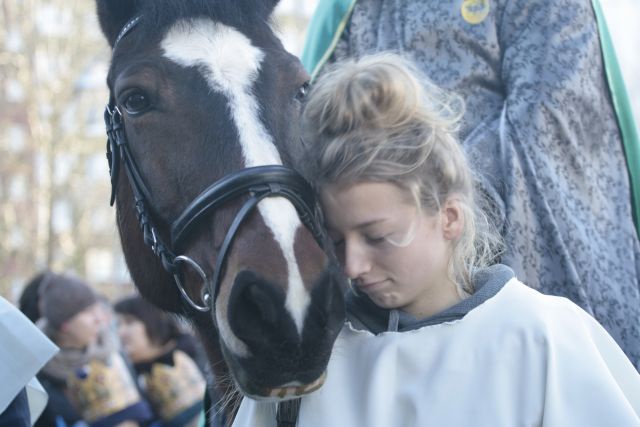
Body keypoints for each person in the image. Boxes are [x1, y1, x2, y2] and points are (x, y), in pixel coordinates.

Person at [232, 53, 640, 426]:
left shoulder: (544, 338)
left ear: (448, 218)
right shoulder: (307, 353)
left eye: (378, 237)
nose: (353, 266)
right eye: (335, 240)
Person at [301, 0, 640, 369]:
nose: (352, 265)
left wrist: (423, 192)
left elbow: (547, 117)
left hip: (477, 243)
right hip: (377, 291)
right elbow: (321, 134)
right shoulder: (349, 9)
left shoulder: (541, 331)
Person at [33, 272, 153, 427]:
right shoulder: (42, 375)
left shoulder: (113, 351)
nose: (99, 319)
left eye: (98, 310)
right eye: (88, 312)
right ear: (65, 325)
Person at [114, 295, 206, 427]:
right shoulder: (131, 377)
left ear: (154, 322)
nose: (120, 332)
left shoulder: (198, 359)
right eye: (118, 324)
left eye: (129, 322)